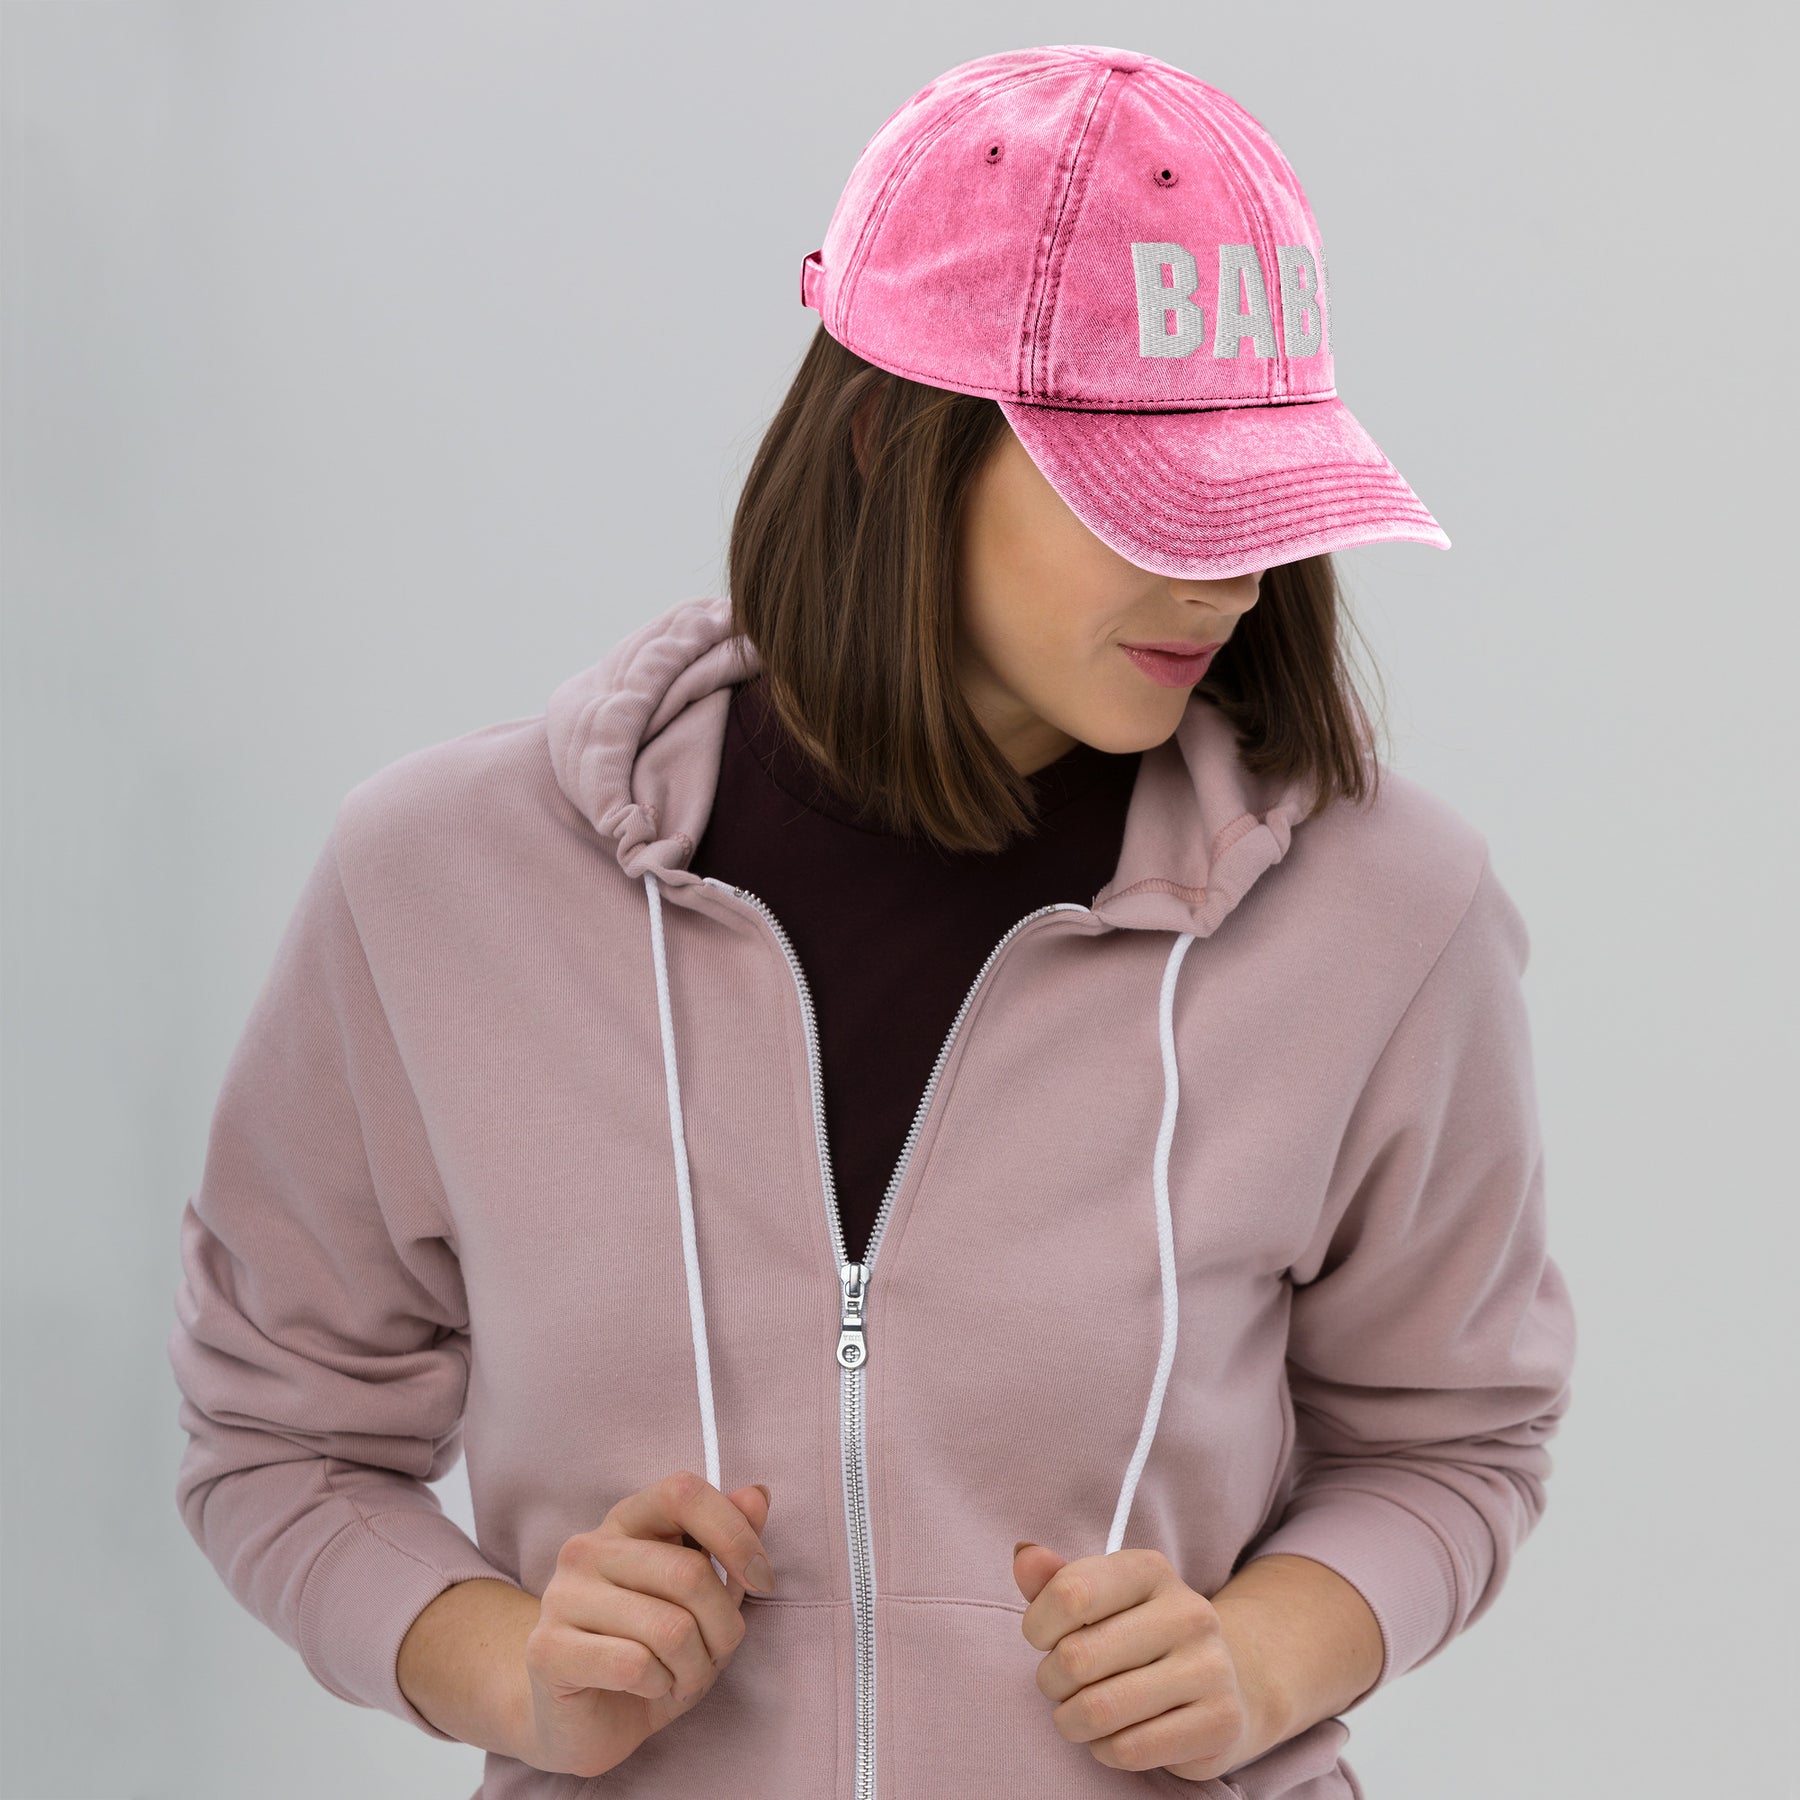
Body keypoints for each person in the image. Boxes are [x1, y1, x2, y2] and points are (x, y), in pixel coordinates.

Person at [166, 43, 1577, 1800]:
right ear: (884, 439)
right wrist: (507, 1670)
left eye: (1259, 493)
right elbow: (276, 1441)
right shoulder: (438, 887)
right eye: (1148, 493)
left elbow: (1457, 1440)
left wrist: (1262, 1657)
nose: (1226, 573)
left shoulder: (1390, 915)